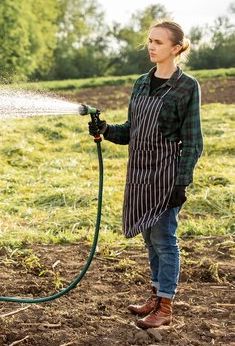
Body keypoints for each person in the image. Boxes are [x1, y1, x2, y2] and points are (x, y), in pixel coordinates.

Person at [88, 20, 203, 329]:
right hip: (138, 173)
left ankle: (165, 306)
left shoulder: (187, 86)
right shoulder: (141, 82)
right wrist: (106, 130)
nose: (151, 46)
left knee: (165, 239)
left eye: (159, 42)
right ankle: (155, 294)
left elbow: (194, 140)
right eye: (150, 41)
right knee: (150, 239)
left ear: (176, 48)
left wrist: (182, 182)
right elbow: (130, 131)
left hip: (166, 175)